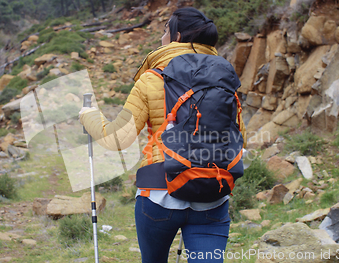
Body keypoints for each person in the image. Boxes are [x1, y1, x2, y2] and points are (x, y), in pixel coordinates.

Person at [80, 7, 245, 263]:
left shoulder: (152, 78)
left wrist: (88, 115)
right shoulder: (225, 79)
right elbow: (238, 135)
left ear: (176, 36)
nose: (161, 37)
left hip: (159, 195)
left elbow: (117, 139)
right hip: (213, 193)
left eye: (165, 30)